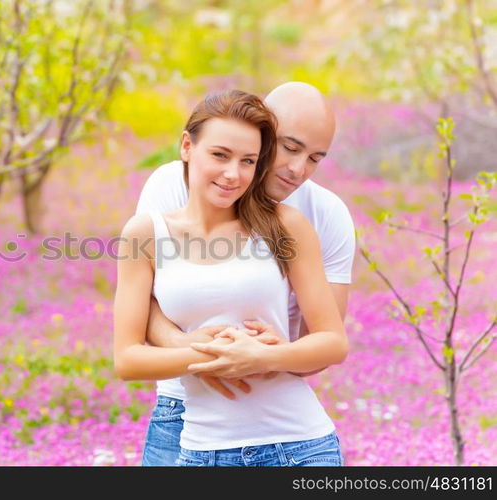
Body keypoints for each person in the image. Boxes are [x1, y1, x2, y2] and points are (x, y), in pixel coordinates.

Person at [113, 88, 350, 467]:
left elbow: (330, 341)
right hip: (193, 433)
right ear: (187, 147)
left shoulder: (294, 223)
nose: (298, 169)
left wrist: (262, 356)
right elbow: (130, 350)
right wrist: (203, 352)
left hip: (296, 442)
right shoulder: (151, 220)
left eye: (247, 161)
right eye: (290, 148)